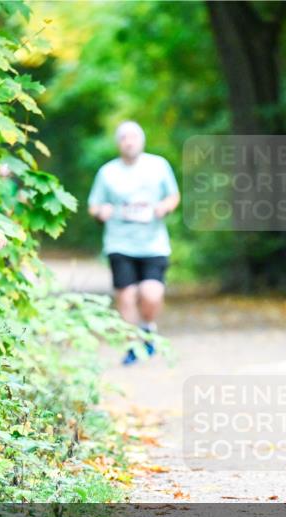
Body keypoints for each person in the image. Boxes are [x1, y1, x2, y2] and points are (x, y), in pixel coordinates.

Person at [87, 121, 180, 365]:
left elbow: (173, 196)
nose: (129, 142)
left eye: (133, 137)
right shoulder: (107, 172)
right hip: (120, 244)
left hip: (153, 244)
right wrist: (101, 212)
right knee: (126, 296)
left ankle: (147, 328)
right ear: (118, 143)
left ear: (142, 140)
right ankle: (132, 346)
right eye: (124, 138)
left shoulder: (158, 165)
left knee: (151, 294)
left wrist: (165, 207)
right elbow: (94, 205)